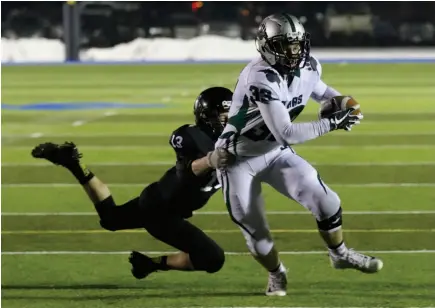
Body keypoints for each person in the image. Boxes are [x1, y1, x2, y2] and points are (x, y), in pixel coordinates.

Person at [215, 13, 383, 296]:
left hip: (275, 153)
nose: (293, 52)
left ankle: (339, 254)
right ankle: (276, 273)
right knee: (257, 233)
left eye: (296, 44)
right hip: (237, 159)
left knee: (327, 201)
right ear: (266, 45)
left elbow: (319, 90)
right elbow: (287, 133)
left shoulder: (309, 66)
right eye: (285, 45)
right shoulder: (259, 76)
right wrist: (333, 122)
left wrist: (345, 101)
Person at [31, 87, 235, 278]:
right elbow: (187, 173)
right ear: (207, 116)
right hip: (162, 211)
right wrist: (211, 160)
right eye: (222, 114)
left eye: (230, 113)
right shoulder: (193, 136)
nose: (227, 119)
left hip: (160, 200)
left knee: (111, 219)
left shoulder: (231, 140)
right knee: (213, 259)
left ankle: (74, 165)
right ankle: (152, 264)